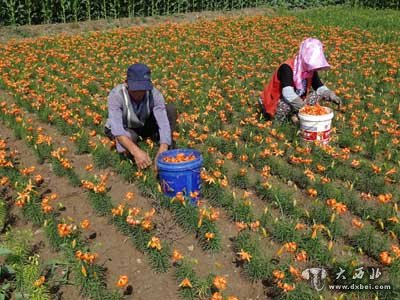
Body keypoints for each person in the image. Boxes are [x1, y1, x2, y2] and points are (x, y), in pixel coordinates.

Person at [104, 63, 177, 170]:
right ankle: (132, 154)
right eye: (135, 89)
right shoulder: (116, 95)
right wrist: (136, 151)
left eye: (142, 89)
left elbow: (163, 122)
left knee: (170, 109)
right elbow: (118, 130)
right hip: (125, 126)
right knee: (129, 138)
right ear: (126, 83)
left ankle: (162, 145)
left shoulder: (154, 94)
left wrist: (163, 147)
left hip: (142, 122)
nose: (139, 93)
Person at [259, 37, 342, 122]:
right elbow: (287, 93)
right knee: (286, 105)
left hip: (296, 99)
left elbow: (319, 86)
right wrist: (304, 108)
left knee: (316, 95)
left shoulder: (309, 70)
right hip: (274, 100)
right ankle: (276, 121)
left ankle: (296, 116)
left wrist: (331, 95)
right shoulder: (287, 68)